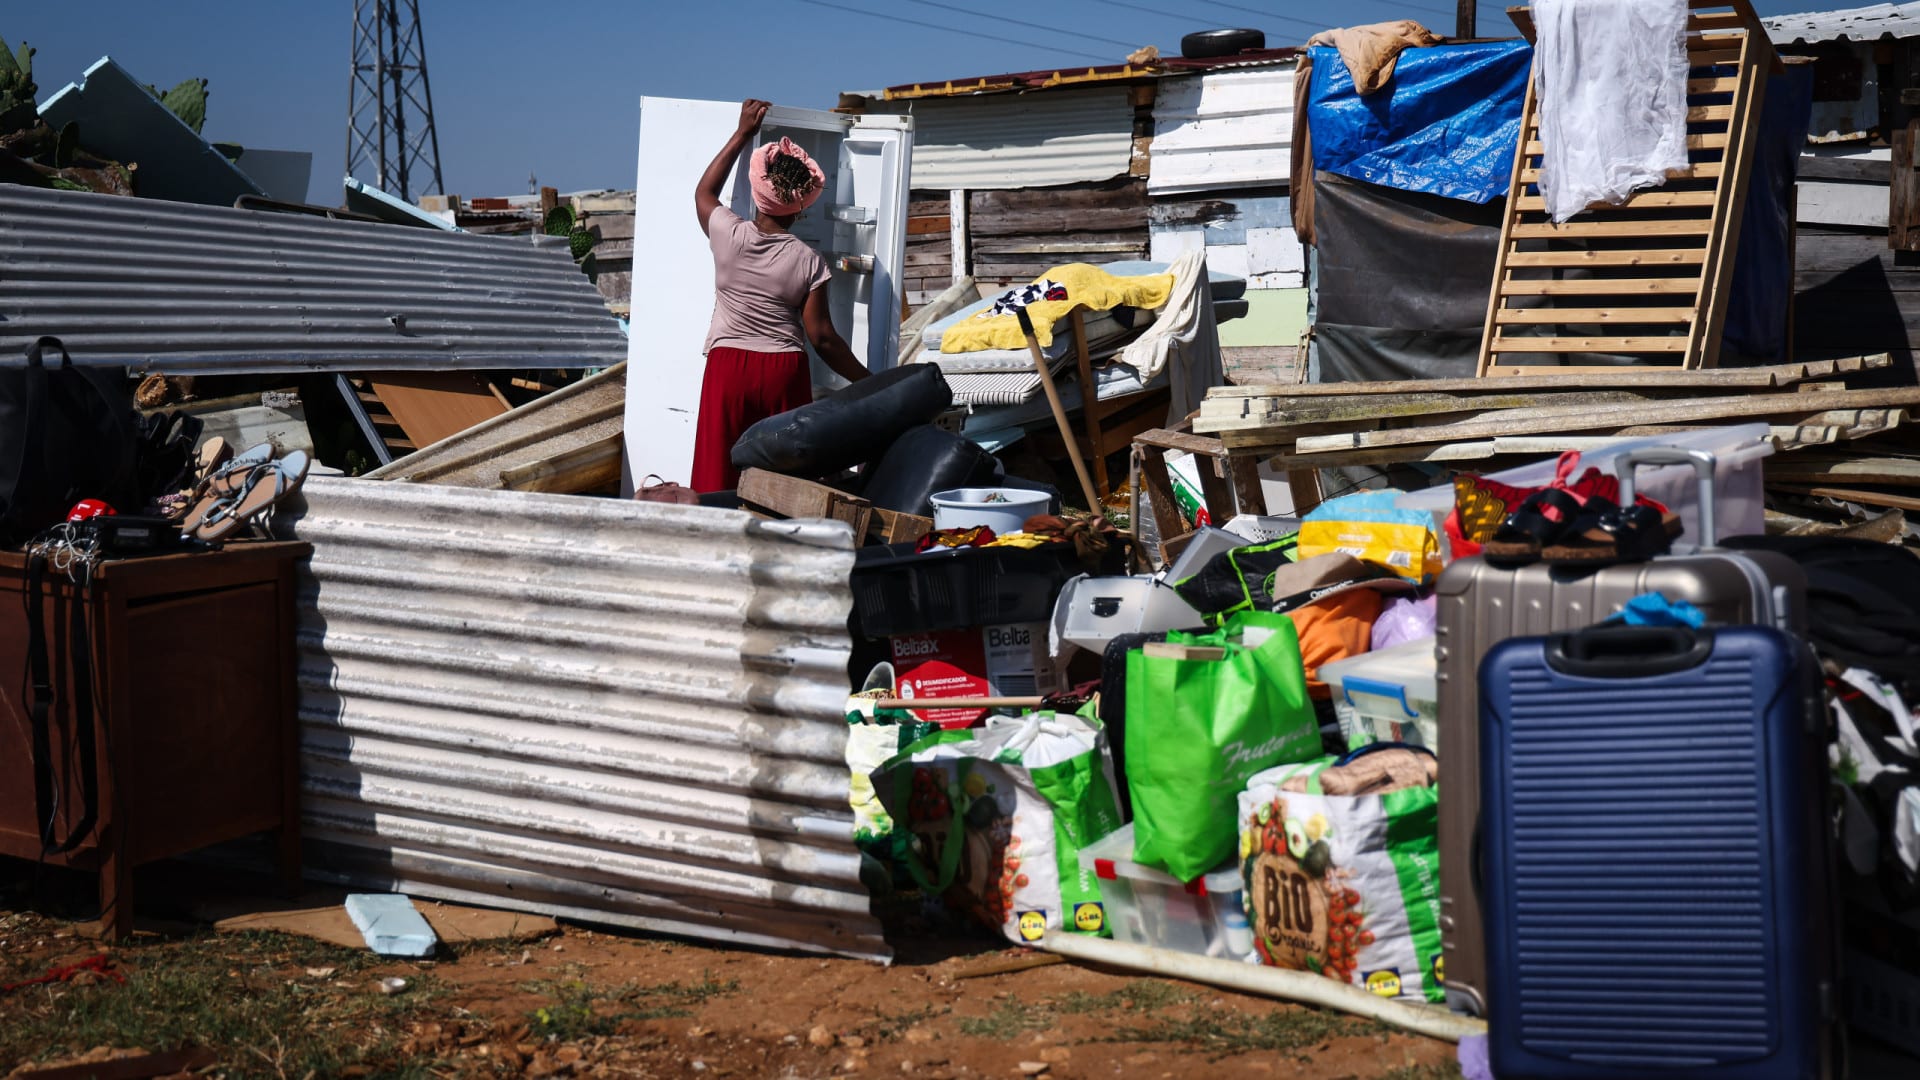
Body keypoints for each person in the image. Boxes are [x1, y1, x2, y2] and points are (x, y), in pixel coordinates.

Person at [691, 98, 870, 493]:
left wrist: (742, 133)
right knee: (783, 483)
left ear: (756, 193)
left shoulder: (728, 233)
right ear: (800, 208)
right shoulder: (808, 261)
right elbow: (822, 338)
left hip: (728, 368)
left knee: (717, 472)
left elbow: (705, 191)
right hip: (782, 371)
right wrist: (868, 381)